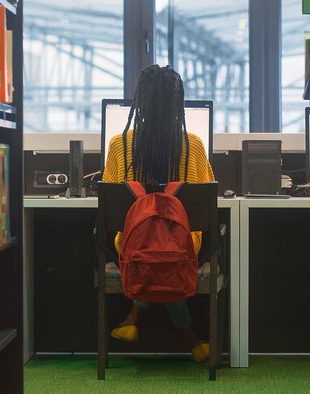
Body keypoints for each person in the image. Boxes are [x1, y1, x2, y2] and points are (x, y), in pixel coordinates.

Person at [102, 64, 216, 363]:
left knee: (146, 249)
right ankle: (191, 339)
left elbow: (112, 199)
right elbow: (206, 196)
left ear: (139, 101)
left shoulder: (118, 144)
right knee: (170, 251)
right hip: (184, 245)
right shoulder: (193, 144)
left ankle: (133, 317)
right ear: (178, 103)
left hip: (131, 244)